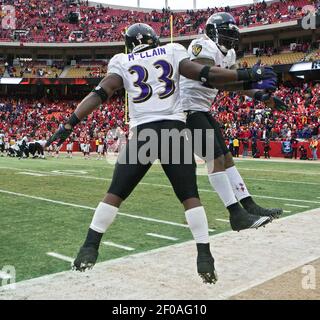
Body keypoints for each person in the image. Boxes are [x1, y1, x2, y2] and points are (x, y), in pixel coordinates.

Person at [46, 23, 276, 284]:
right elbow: (204, 74)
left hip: (143, 135)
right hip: (173, 132)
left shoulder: (122, 60)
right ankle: (204, 256)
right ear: (155, 39)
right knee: (190, 199)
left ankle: (90, 246)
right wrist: (249, 74)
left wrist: (69, 124)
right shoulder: (173, 51)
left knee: (113, 195)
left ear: (129, 44)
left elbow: (101, 92)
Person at [180, 12, 282, 231]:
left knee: (226, 158)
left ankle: (248, 204)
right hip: (187, 109)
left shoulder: (229, 53)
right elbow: (211, 77)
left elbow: (233, 84)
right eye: (226, 35)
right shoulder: (201, 46)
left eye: (231, 36)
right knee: (215, 160)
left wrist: (260, 96)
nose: (230, 40)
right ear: (212, 32)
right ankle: (235, 214)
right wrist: (251, 74)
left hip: (202, 109)